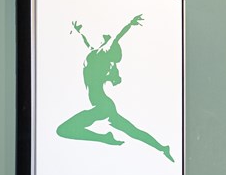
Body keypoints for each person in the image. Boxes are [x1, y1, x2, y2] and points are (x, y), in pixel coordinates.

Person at [57, 14, 174, 162]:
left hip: (102, 106)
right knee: (133, 131)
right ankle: (162, 148)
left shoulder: (100, 55)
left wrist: (129, 24)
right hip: (105, 105)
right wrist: (79, 32)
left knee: (63, 130)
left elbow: (116, 38)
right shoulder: (94, 54)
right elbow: (87, 43)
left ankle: (105, 138)